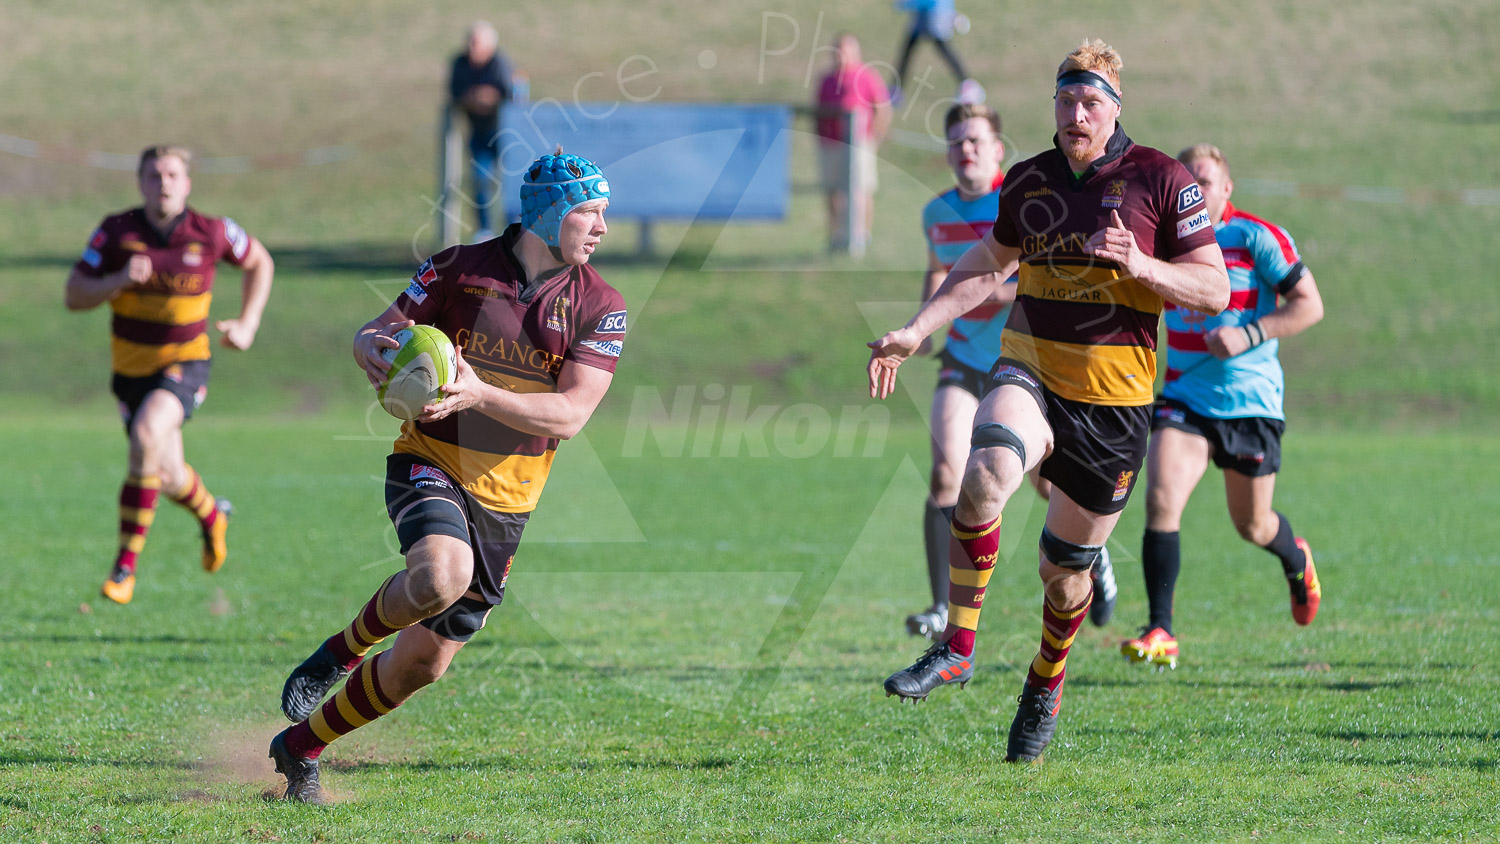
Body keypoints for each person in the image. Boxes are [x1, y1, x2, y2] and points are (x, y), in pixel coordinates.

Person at [867, 40, 1229, 763]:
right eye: (1065, 100)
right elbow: (985, 266)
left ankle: (1044, 683)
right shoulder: (1029, 180)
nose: (1075, 112)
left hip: (1116, 407)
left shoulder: (1162, 179)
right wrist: (915, 329)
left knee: (1063, 581)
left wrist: (1142, 264)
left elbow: (1214, 288)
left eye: (1089, 100)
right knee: (982, 476)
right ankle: (958, 646)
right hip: (1029, 369)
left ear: (1115, 107)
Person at [269, 152, 627, 803]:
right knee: (439, 577)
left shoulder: (601, 305)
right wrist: (371, 351)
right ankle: (339, 653)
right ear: (548, 214)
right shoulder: (459, 267)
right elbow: (377, 332)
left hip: (510, 502)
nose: (603, 226)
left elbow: (570, 413)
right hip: (430, 460)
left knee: (420, 666)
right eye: (589, 211)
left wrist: (478, 392)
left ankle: (300, 749)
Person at [906, 103, 1117, 642]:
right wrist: (923, 322)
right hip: (961, 361)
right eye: (955, 142)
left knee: (1050, 488)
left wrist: (973, 295)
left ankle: (1096, 554)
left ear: (998, 149)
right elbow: (938, 271)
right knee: (944, 476)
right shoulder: (937, 212)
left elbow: (1029, 277)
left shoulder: (1024, 198)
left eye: (975, 140)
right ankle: (938, 608)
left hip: (1026, 365)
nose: (965, 150)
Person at [1121, 144, 1326, 670]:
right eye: (1188, 181)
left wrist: (1252, 332)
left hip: (1250, 405)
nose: (1197, 189)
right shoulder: (1164, 244)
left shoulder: (1255, 237)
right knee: (1162, 498)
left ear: (1227, 190)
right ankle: (1161, 628)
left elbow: (1310, 305)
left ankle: (1294, 556)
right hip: (1184, 399)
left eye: (1206, 181)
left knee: (1252, 525)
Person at [65, 145, 274, 605]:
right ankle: (212, 517)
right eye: (154, 175)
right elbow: (74, 294)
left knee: (146, 434)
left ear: (187, 183)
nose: (164, 183)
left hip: (185, 364)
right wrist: (116, 280)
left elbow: (261, 261)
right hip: (129, 372)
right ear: (140, 182)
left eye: (173, 174)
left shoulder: (213, 231)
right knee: (167, 471)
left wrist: (248, 322)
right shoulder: (116, 231)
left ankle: (124, 567)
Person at [815, 33, 892, 254]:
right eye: (837, 51)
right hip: (831, 144)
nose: (841, 56)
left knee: (861, 189)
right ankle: (836, 235)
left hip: (859, 144)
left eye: (846, 50)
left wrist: (875, 136)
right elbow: (817, 109)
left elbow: (882, 108)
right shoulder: (827, 80)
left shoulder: (866, 76)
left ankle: (861, 235)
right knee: (833, 191)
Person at [449, 20, 515, 241]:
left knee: (512, 181)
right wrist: (476, 97)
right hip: (478, 133)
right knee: (480, 179)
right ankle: (485, 232)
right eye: (470, 41)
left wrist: (485, 97)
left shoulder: (500, 62)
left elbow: (508, 95)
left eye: (476, 43)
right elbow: (455, 93)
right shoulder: (460, 63)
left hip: (505, 134)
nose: (471, 47)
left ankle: (512, 229)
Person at [892, 0, 984, 104]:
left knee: (943, 49)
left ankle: (968, 85)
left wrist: (907, 4)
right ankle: (896, 89)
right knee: (908, 51)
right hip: (924, 15)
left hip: (934, 15)